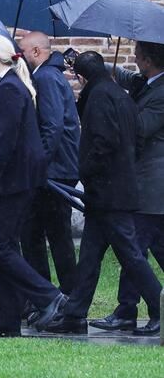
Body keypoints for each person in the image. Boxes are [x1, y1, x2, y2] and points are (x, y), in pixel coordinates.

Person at [39, 51, 162, 335]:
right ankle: (74, 315)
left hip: (108, 193)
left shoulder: (98, 97)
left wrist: (87, 171)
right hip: (115, 189)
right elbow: (136, 139)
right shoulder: (120, 96)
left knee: (131, 255)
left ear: (81, 78)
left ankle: (159, 308)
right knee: (90, 256)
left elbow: (102, 143)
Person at [0, 34, 64, 337]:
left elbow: (7, 138)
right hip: (14, 181)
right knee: (0, 247)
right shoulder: (9, 86)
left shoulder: (9, 88)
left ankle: (49, 296)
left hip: (12, 182)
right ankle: (7, 319)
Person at [95, 40, 164, 332]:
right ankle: (129, 309)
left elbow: (142, 128)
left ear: (148, 61)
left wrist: (117, 104)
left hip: (152, 184)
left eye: (137, 56)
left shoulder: (161, 93)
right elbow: (123, 76)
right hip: (147, 184)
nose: (134, 59)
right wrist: (96, 67)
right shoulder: (146, 82)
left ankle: (130, 310)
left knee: (132, 248)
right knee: (153, 246)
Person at [18, 32, 80, 297]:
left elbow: (52, 127)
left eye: (22, 52)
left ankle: (58, 297)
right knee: (49, 235)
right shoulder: (50, 75)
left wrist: (37, 164)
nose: (19, 57)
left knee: (47, 236)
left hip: (53, 171)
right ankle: (56, 296)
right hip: (56, 168)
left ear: (35, 52)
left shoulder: (45, 77)